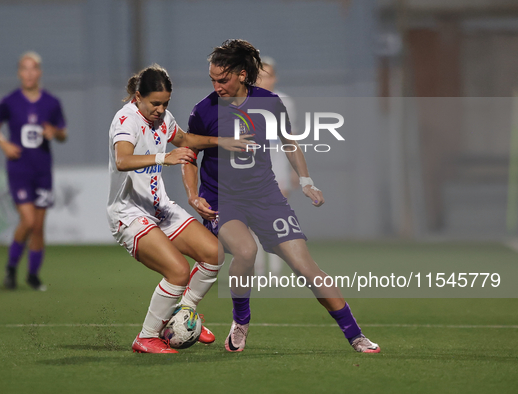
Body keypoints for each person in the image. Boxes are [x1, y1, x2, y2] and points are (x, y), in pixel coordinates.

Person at [182, 39, 380, 353]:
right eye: (212, 80)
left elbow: (290, 142)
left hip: (265, 197)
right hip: (222, 199)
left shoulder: (270, 103)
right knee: (245, 252)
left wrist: (306, 181)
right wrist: (193, 196)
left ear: (243, 74)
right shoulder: (203, 110)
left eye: (223, 79)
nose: (216, 86)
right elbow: (188, 156)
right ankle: (241, 321)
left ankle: (356, 336)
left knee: (306, 267)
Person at [107, 64, 250, 353]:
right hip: (130, 214)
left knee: (214, 254)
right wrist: (164, 157)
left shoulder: (164, 119)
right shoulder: (126, 120)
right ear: (138, 97)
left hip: (159, 208)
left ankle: (183, 315)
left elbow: (185, 140)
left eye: (165, 103)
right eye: (155, 103)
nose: (160, 109)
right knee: (178, 271)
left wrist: (220, 141)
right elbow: (122, 160)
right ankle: (146, 337)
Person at [0, 51, 67, 291]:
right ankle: (11, 268)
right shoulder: (9, 101)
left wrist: (54, 132)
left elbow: (63, 134)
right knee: (29, 220)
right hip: (19, 169)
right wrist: (4, 144)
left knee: (39, 226)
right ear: (19, 72)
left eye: (33, 68)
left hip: (42, 170)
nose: (29, 73)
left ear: (39, 72)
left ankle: (32, 275)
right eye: (25, 68)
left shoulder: (51, 103)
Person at [253, 56, 299, 276]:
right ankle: (259, 268)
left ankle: (276, 269)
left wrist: (295, 170)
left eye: (267, 75)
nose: (263, 80)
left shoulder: (284, 101)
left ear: (275, 78)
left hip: (277, 168)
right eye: (259, 75)